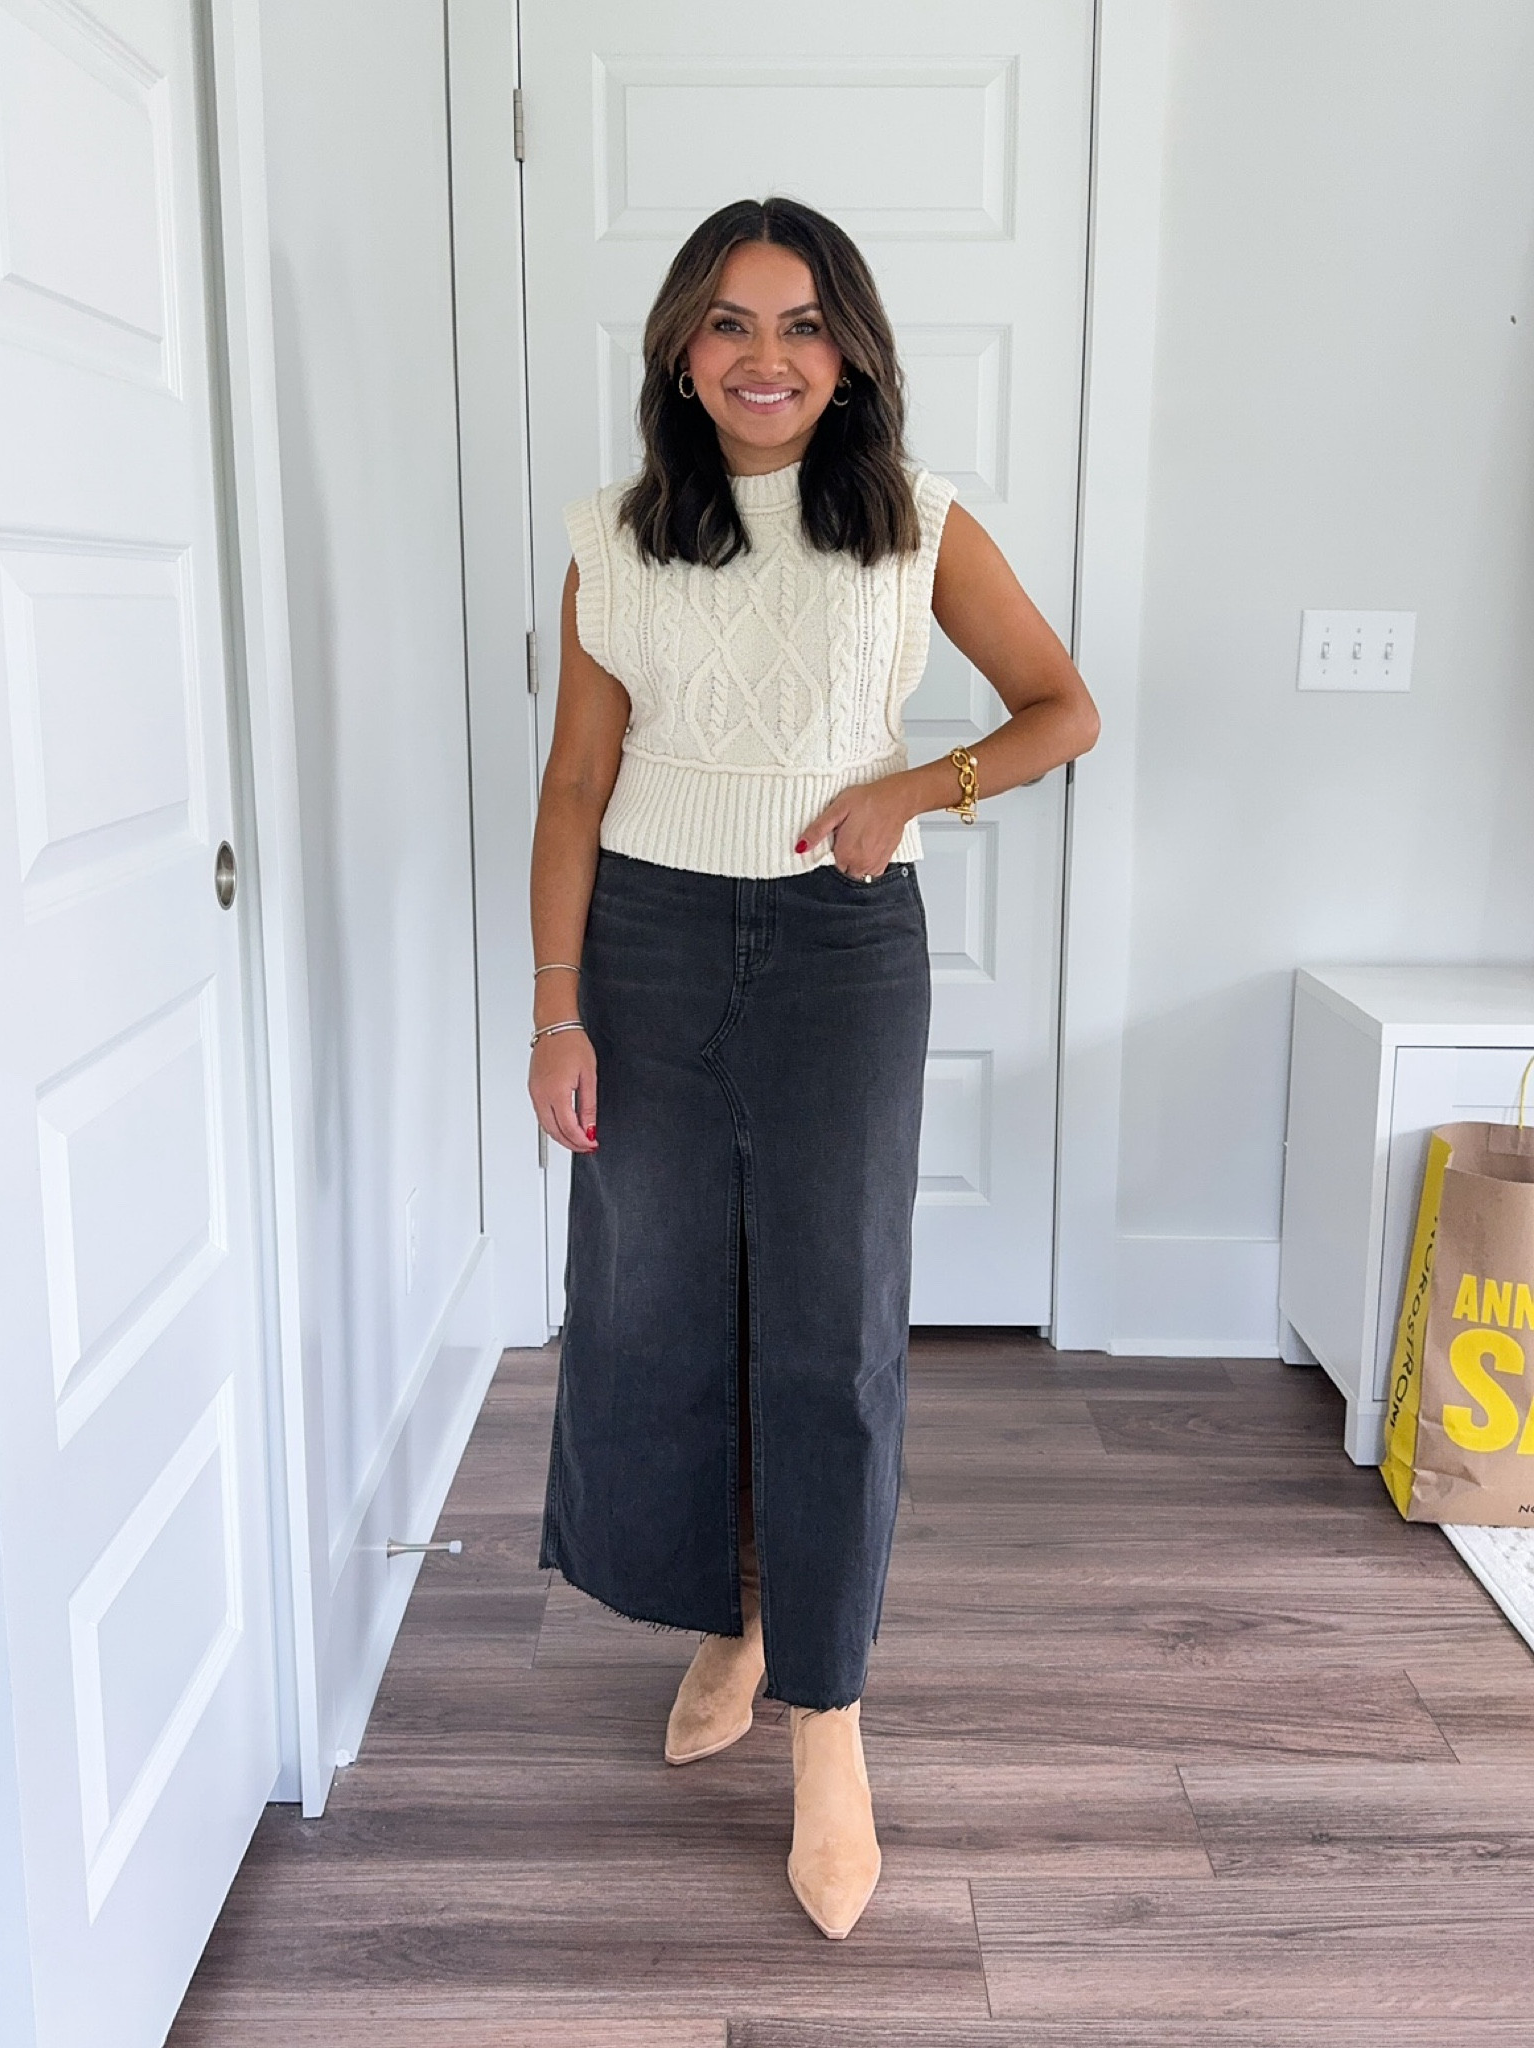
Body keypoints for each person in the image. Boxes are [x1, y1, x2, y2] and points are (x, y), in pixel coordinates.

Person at [527, 195, 1099, 1940]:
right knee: (665, 1303)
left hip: (845, 952)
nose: (762, 357)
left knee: (837, 1325)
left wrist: (915, 792)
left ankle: (828, 1711)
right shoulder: (614, 540)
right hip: (645, 938)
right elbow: (571, 787)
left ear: (847, 350)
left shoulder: (916, 524)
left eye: (796, 323)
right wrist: (556, 1005)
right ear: (679, 355)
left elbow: (1059, 708)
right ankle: (733, 1613)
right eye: (725, 323)